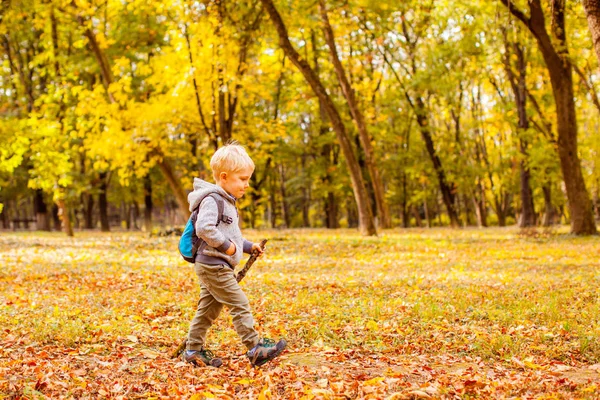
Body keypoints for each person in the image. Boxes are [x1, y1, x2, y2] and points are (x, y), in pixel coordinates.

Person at [182, 142, 286, 368]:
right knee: (240, 303)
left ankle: (193, 350)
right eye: (242, 179)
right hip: (213, 265)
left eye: (248, 179)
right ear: (224, 176)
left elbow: (232, 235)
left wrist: (248, 246)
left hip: (216, 265)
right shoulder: (213, 199)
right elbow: (204, 228)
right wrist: (226, 247)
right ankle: (254, 347)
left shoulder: (227, 202)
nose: (247, 185)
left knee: (207, 311)